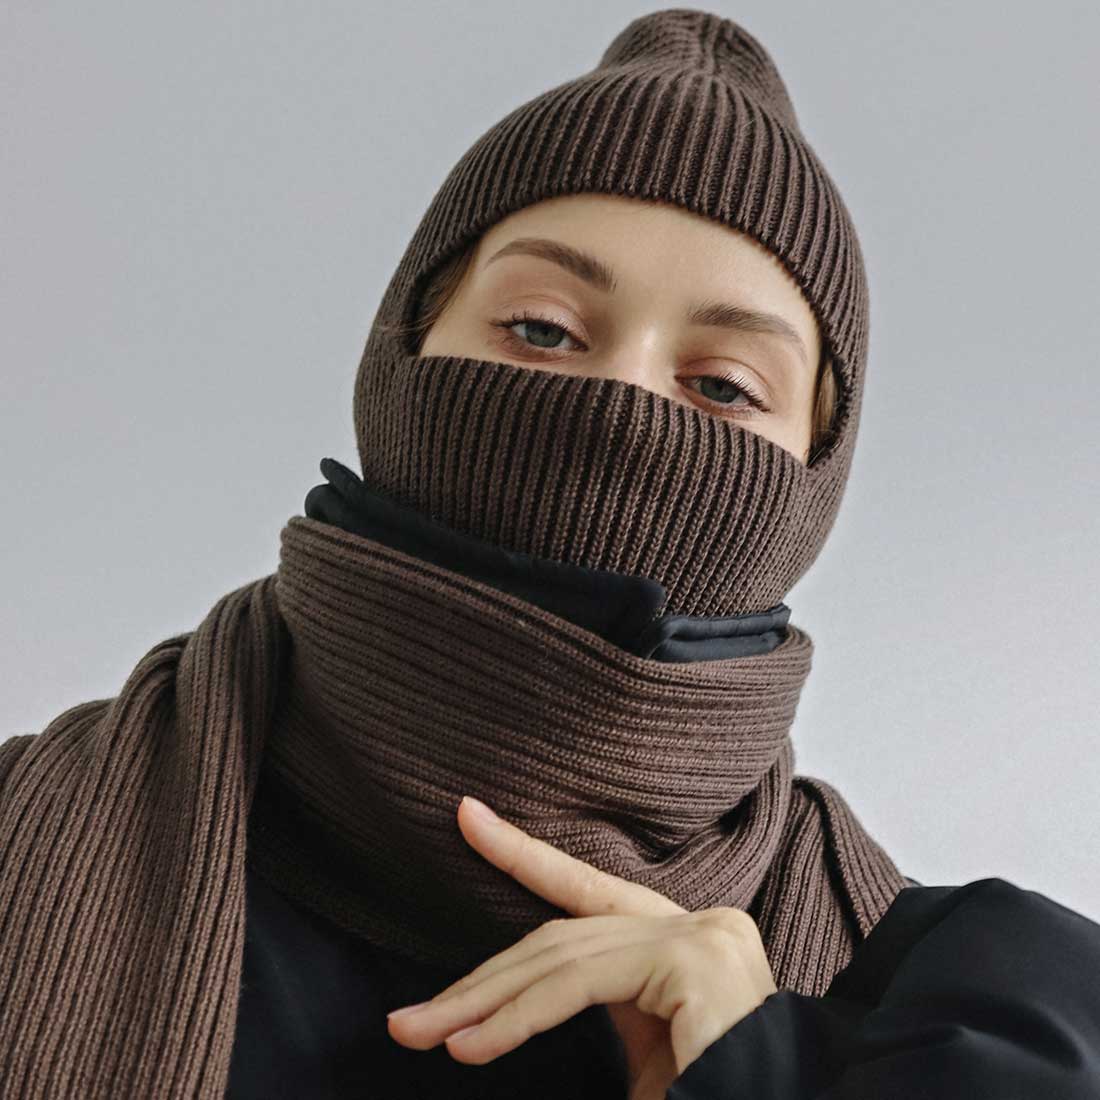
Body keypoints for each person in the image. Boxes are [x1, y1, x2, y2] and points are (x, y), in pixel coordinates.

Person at [1, 9, 1097, 1099]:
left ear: (816, 478)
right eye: (539, 328)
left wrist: (770, 1078)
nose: (620, 404)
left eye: (722, 386)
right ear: (403, 350)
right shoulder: (22, 841)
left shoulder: (944, 1021)